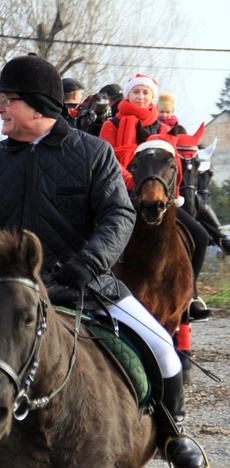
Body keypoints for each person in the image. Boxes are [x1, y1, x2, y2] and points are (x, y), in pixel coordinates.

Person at [0, 54, 208, 468]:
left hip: (88, 284)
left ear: (37, 105)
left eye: (8, 101)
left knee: (162, 350)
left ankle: (174, 434)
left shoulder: (92, 153)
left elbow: (118, 215)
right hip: (10, 290)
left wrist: (88, 262)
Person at [100, 73, 211, 320]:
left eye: (145, 92)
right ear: (127, 95)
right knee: (100, 236)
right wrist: (133, 182)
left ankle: (190, 298)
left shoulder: (164, 127)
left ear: (152, 96)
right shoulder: (113, 124)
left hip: (157, 194)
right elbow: (108, 161)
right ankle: (98, 290)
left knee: (200, 237)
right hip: (122, 193)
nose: (140, 97)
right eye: (136, 92)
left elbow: (173, 163)